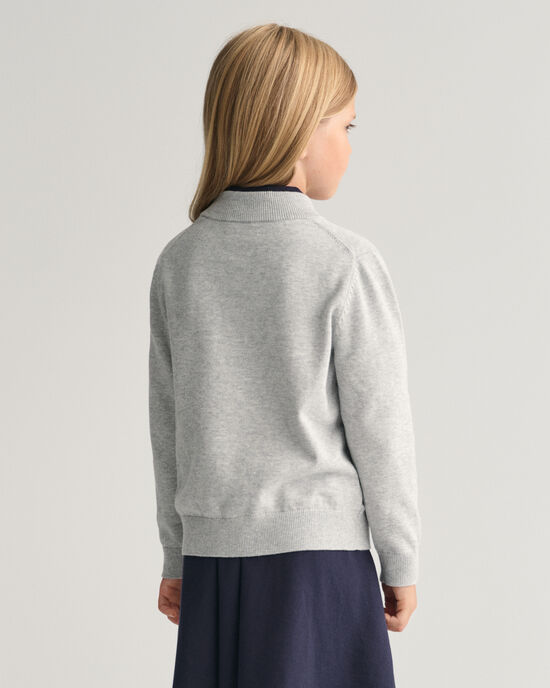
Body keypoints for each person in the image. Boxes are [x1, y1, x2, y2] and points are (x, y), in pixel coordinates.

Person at [148, 22, 421, 688]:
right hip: (320, 568)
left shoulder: (181, 263)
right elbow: (381, 428)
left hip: (213, 565)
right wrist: (401, 560)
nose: (350, 148)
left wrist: (177, 553)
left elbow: (169, 426)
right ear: (299, 132)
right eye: (346, 127)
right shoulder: (343, 261)